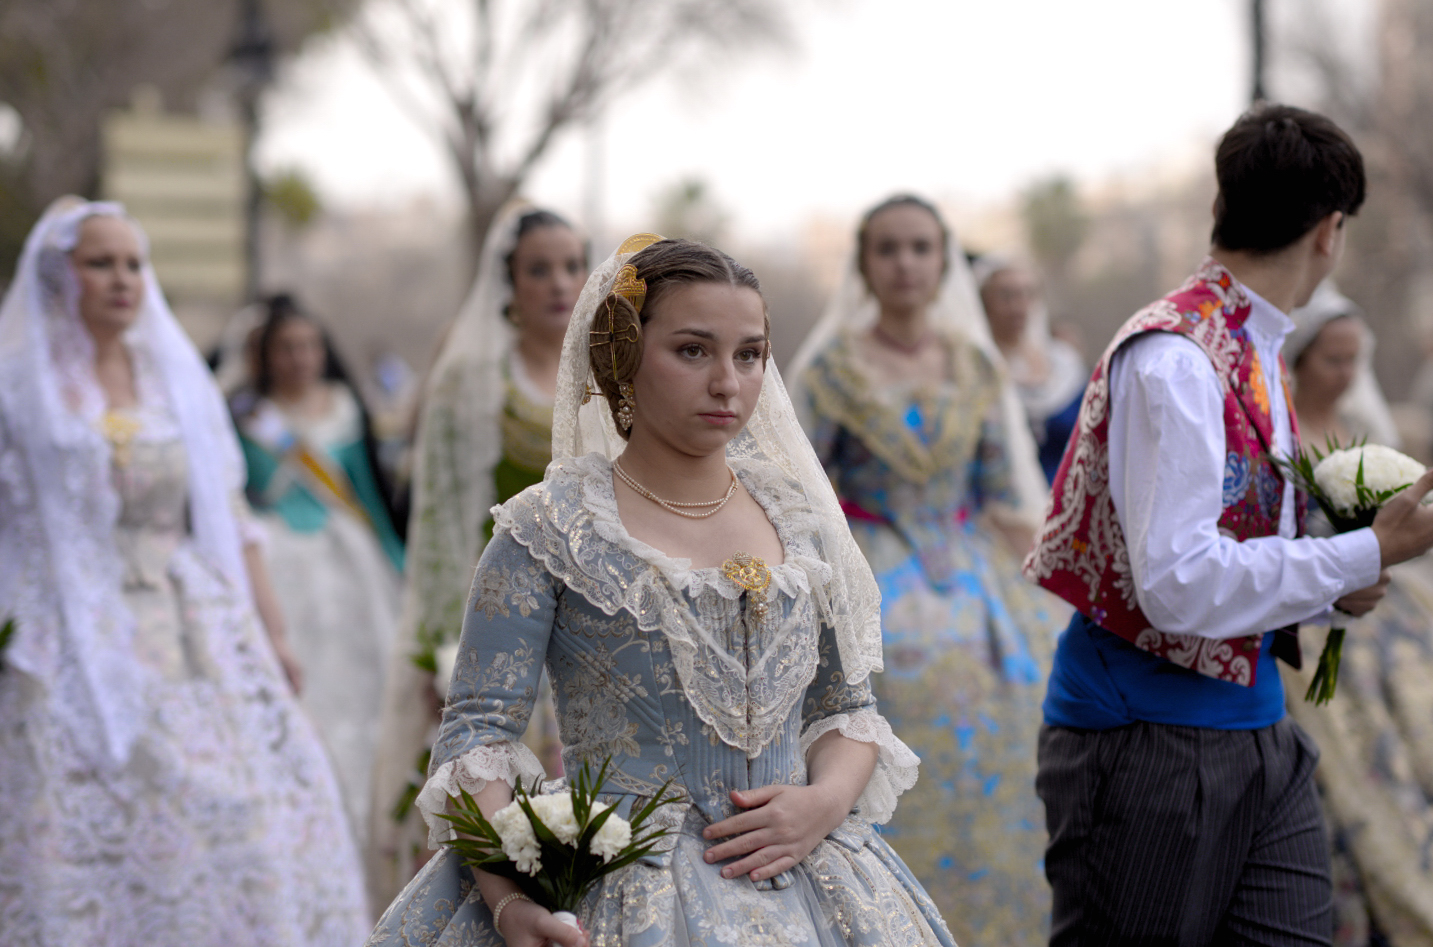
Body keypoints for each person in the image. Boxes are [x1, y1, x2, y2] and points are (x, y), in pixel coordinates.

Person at [365, 235, 954, 947]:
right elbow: (474, 739)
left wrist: (821, 802)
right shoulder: (547, 530)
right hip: (615, 886)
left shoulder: (802, 524)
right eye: (692, 350)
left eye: (749, 354)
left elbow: (848, 711)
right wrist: (509, 899)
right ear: (620, 354)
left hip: (811, 879)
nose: (727, 383)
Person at [1026, 103, 1433, 946]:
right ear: (1330, 233)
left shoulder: (1248, 346)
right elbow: (1175, 584)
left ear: (1219, 209)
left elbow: (1235, 551)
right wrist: (1362, 549)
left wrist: (1327, 592)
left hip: (1256, 728)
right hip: (1144, 744)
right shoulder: (1173, 355)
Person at [0, 199, 368, 945]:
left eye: (133, 263)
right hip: (65, 626)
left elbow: (231, 516)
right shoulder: (20, 387)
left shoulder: (173, 380)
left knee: (235, 795)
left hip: (188, 617)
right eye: (99, 263)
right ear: (57, 275)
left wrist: (274, 630)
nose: (121, 279)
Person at [788, 194, 1065, 945]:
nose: (905, 264)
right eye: (888, 249)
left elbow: (1008, 496)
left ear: (942, 261)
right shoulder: (827, 371)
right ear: (863, 263)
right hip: (867, 578)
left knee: (1019, 728)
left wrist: (1062, 585)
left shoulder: (975, 364)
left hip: (979, 587)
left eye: (920, 248)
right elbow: (795, 496)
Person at [367, 204, 584, 906]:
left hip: (591, 619)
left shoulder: (605, 377)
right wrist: (441, 647)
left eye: (573, 267)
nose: (559, 283)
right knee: (499, 816)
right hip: (506, 624)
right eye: (539, 269)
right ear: (507, 285)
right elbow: (439, 527)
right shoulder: (471, 382)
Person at [1281, 284, 1433, 947]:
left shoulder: (1357, 432)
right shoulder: (1279, 434)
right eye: (1330, 360)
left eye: (1352, 360)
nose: (1345, 374)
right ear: (1300, 360)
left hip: (1383, 603)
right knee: (1355, 756)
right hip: (1318, 618)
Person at [233, 292, 406, 850]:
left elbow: (367, 495)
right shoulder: (245, 416)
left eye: (308, 345)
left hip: (348, 557)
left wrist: (394, 557)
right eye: (287, 347)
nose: (300, 357)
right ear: (266, 354)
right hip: (279, 559)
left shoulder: (343, 407)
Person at [976, 256, 1087, 484]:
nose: (1019, 305)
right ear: (985, 301)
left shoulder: (1063, 362)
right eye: (1006, 296)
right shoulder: (977, 369)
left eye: (1028, 293)